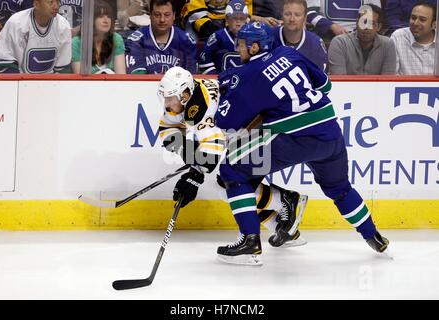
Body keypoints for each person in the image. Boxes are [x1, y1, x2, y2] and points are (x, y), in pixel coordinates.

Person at [210, 22, 389, 265]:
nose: (238, 50)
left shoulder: (248, 75)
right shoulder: (289, 53)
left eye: (241, 45)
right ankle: (373, 236)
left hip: (295, 138)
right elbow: (325, 85)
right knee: (340, 189)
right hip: (330, 134)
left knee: (232, 169)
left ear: (253, 47)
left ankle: (250, 240)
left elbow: (225, 120)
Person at [158, 66, 308, 249]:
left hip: (260, 129)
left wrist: (194, 175)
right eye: (165, 97)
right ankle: (278, 226)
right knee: (226, 186)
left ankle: (284, 200)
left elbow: (209, 159)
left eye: (170, 98)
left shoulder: (202, 110)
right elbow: (167, 127)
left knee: (228, 183)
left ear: (185, 94)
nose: (167, 104)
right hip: (242, 131)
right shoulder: (189, 96)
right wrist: (187, 152)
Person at [0, 0, 71, 73]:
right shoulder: (16, 23)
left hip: (50, 82)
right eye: (50, 2)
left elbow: (62, 68)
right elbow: (5, 63)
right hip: (20, 81)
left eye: (58, 2)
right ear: (36, 4)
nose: (56, 7)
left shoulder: (63, 25)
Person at [125, 0, 197, 74]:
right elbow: (137, 78)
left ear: (174, 15)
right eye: (157, 14)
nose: (162, 20)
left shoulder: (186, 41)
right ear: (150, 15)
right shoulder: (136, 40)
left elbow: (191, 76)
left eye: (167, 15)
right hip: (146, 85)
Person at [328, 4, 396, 74]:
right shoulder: (340, 43)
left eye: (371, 23)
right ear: (357, 23)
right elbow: (339, 80)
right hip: (346, 85)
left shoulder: (387, 45)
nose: (366, 27)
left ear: (379, 27)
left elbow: (388, 80)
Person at [181, 0, 281, 41]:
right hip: (199, 21)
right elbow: (195, 12)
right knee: (190, 41)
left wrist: (232, 22)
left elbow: (243, 8)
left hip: (229, 19)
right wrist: (215, 31)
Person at [71, 0, 126, 74]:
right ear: (90, 20)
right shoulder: (77, 42)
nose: (106, 20)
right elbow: (80, 78)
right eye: (101, 17)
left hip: (112, 85)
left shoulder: (116, 39)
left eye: (109, 17)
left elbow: (121, 76)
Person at [273, 0, 328, 72]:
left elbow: (320, 79)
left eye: (297, 15)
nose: (292, 19)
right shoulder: (268, 37)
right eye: (287, 14)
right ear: (282, 16)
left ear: (305, 18)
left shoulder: (316, 44)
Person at [198, 0, 249, 74]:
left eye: (241, 18)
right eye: (234, 17)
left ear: (246, 19)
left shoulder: (253, 37)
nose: (238, 21)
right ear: (227, 19)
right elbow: (205, 61)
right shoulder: (218, 37)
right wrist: (216, 77)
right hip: (220, 81)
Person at [390, 1, 436, 75]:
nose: (415, 23)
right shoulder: (398, 36)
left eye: (422, 20)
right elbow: (393, 75)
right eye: (413, 18)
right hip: (404, 86)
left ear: (434, 25)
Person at [306, 0, 382, 39]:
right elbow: (309, 13)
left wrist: (358, 31)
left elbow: (375, 14)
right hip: (326, 36)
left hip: (360, 37)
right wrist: (331, 26)